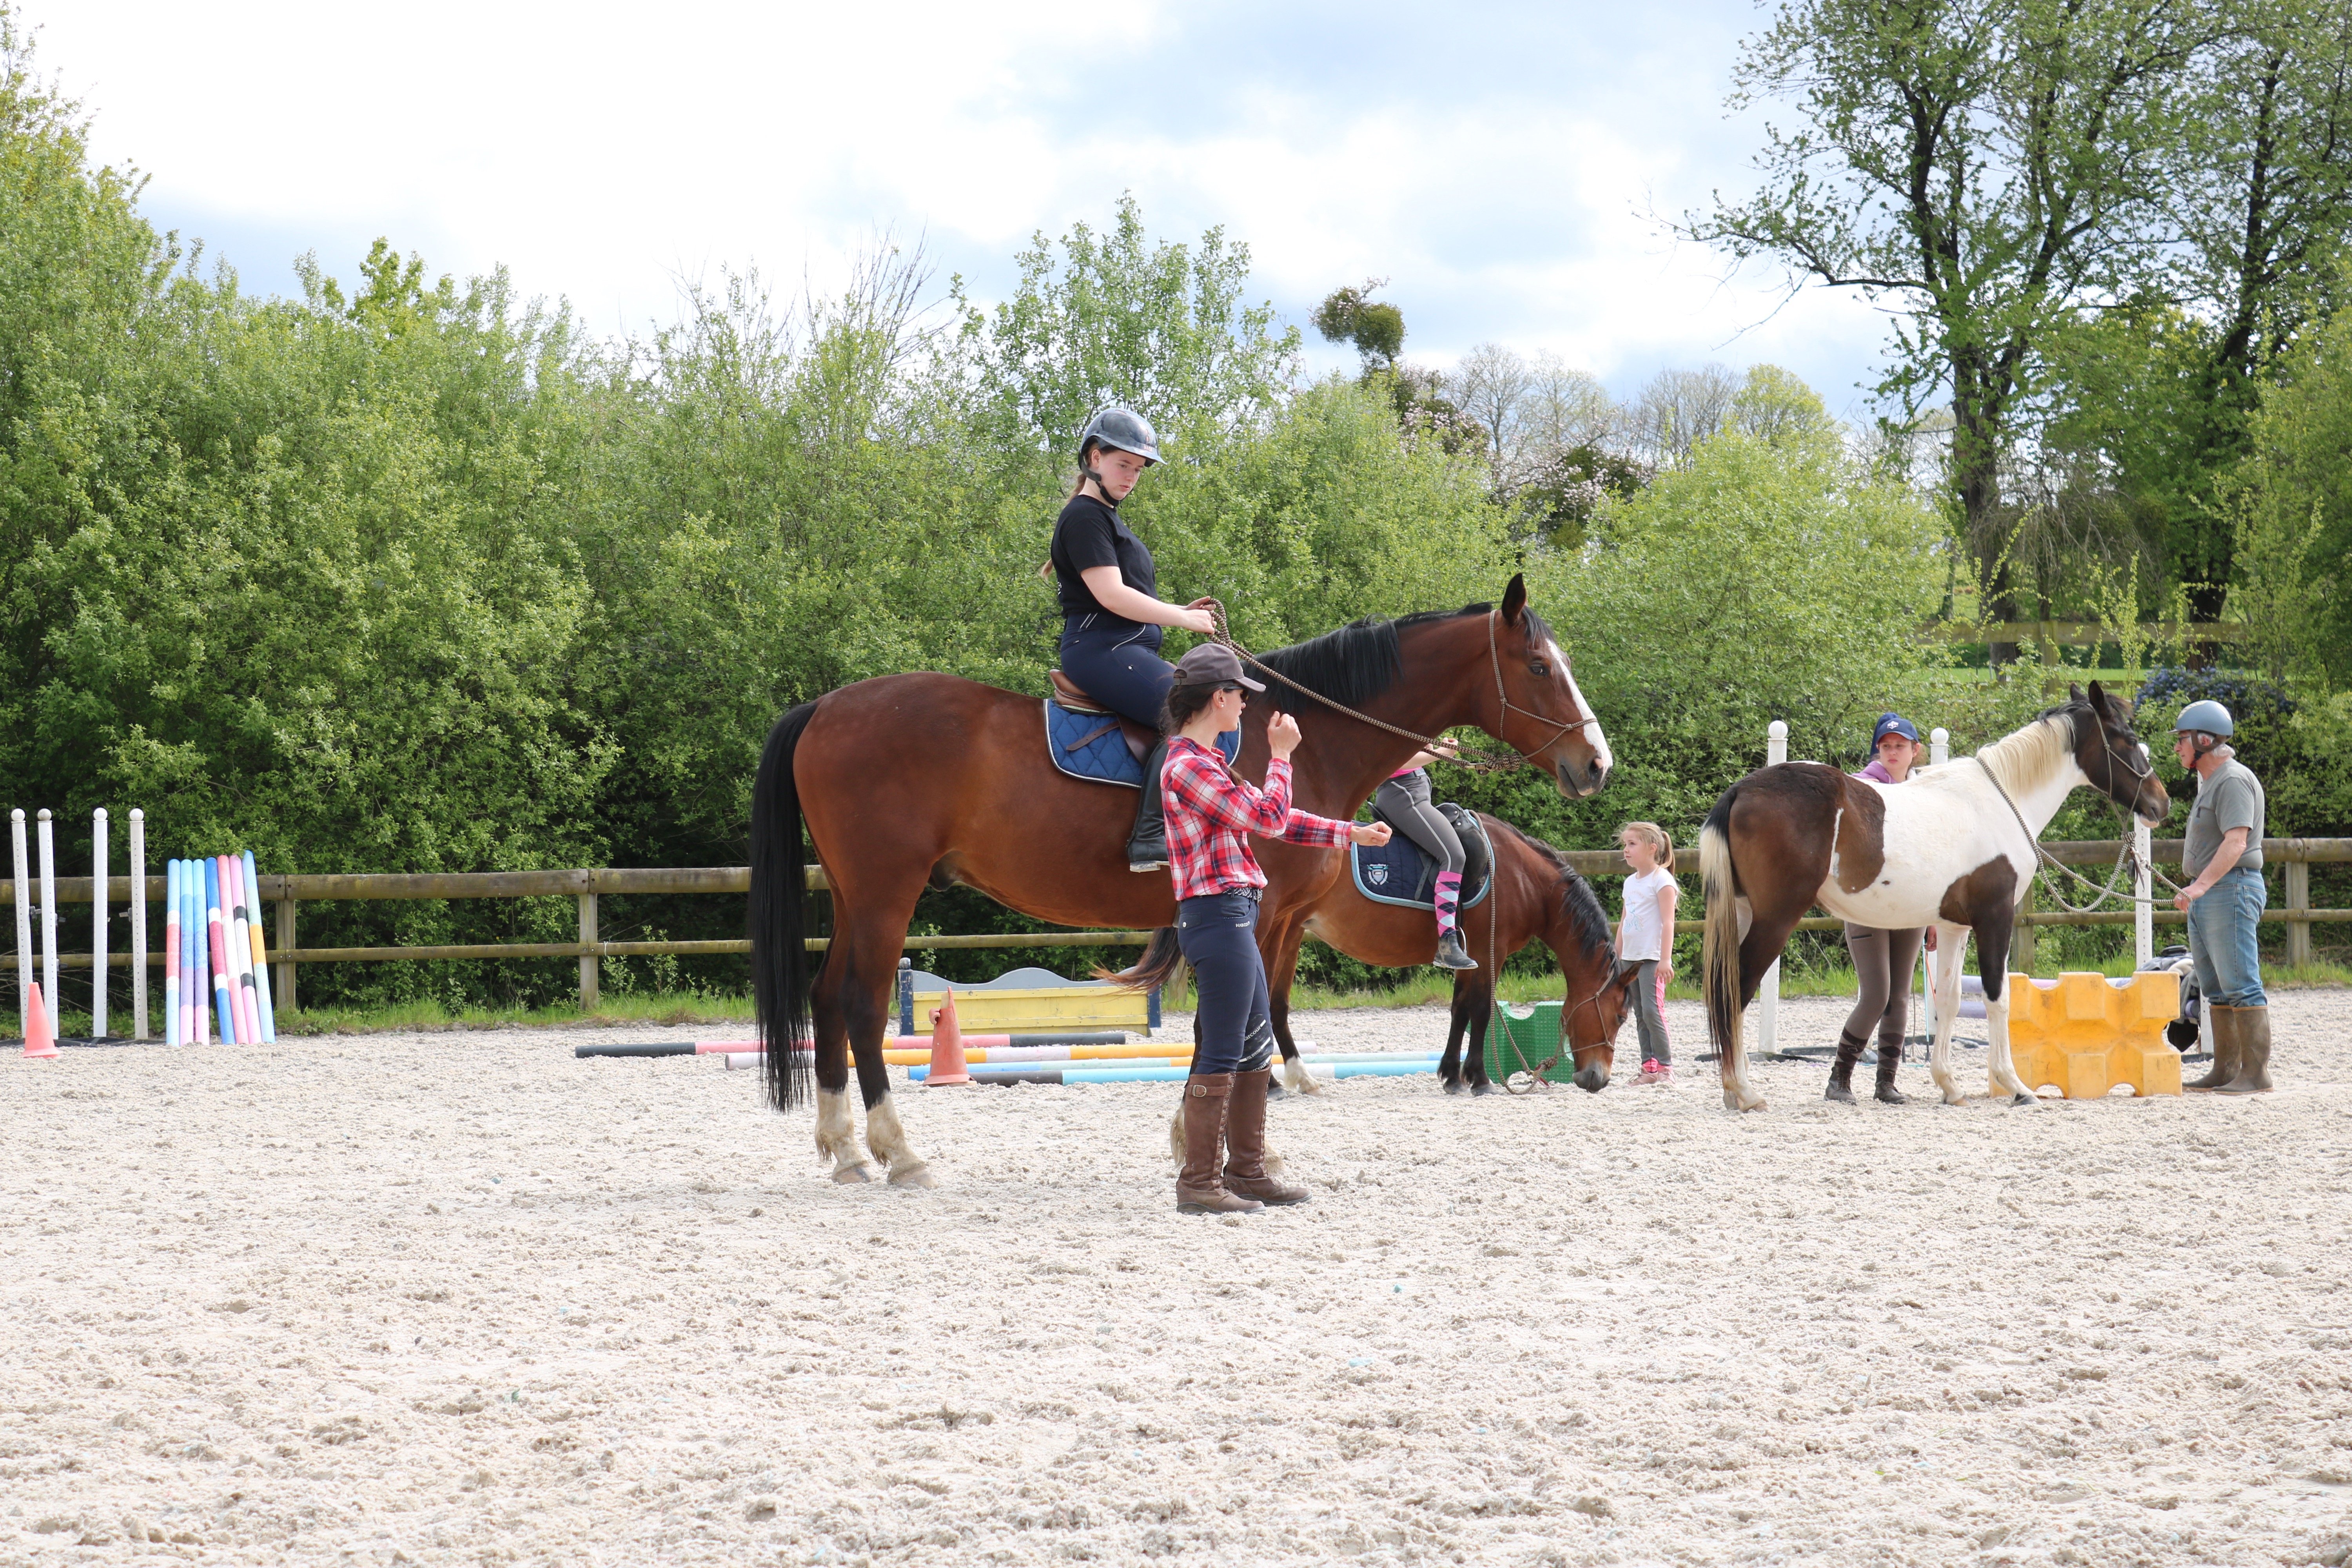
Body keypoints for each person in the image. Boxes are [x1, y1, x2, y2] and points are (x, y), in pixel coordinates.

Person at [1159, 644, 1392, 1214]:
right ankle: (1198, 1181)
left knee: (1254, 1043)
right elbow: (1265, 817)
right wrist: (1282, 755)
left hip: (1232, 912)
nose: (1246, 706)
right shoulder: (1188, 766)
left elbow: (1271, 815)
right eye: (1241, 696)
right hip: (1217, 914)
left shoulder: (1208, 763)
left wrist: (1349, 834)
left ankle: (1247, 1170)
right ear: (1219, 698)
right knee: (1222, 1046)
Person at [1046, 408, 1219, 873]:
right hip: (1103, 650)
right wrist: (1183, 620)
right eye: (1124, 464)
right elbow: (1112, 595)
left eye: (1139, 470)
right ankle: (1148, 838)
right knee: (1193, 711)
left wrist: (1179, 613)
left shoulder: (1103, 518)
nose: (1132, 477)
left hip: (1125, 649)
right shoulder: (1085, 517)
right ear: (1094, 457)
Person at [2172, 699, 2270, 1093]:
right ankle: (2227, 1069)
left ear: (2204, 739)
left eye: (2182, 740)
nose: (2178, 748)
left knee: (2241, 982)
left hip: (2231, 890)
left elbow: (2236, 843)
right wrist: (2197, 889)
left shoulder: (2231, 781)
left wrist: (2200, 886)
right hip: (2212, 894)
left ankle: (2256, 1073)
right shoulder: (2212, 783)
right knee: (2215, 986)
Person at [1832, 712, 1928, 1105]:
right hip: (1868, 901)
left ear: (1914, 751)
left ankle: (1886, 1082)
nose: (1892, 752)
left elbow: (1930, 856)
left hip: (1910, 902)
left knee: (1900, 996)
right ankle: (1839, 1079)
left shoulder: (1925, 794)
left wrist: (1934, 911)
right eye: (1886, 746)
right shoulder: (1861, 787)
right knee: (1876, 993)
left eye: (1900, 746)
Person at [1372, 741, 1475, 970]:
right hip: (1403, 792)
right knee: (1454, 855)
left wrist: (1431, 744)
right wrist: (1439, 754)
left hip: (1411, 790)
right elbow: (1395, 760)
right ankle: (1447, 943)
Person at [1613, 822, 1679, 1085]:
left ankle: (1666, 1067)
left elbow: (1668, 922)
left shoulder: (1662, 881)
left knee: (1653, 1011)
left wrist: (1665, 959)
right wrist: (1617, 956)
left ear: (1652, 849)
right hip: (1631, 957)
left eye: (1632, 844)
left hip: (1651, 958)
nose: (1626, 850)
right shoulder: (1630, 883)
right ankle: (1649, 1067)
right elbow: (1624, 921)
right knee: (1640, 1013)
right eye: (1625, 845)